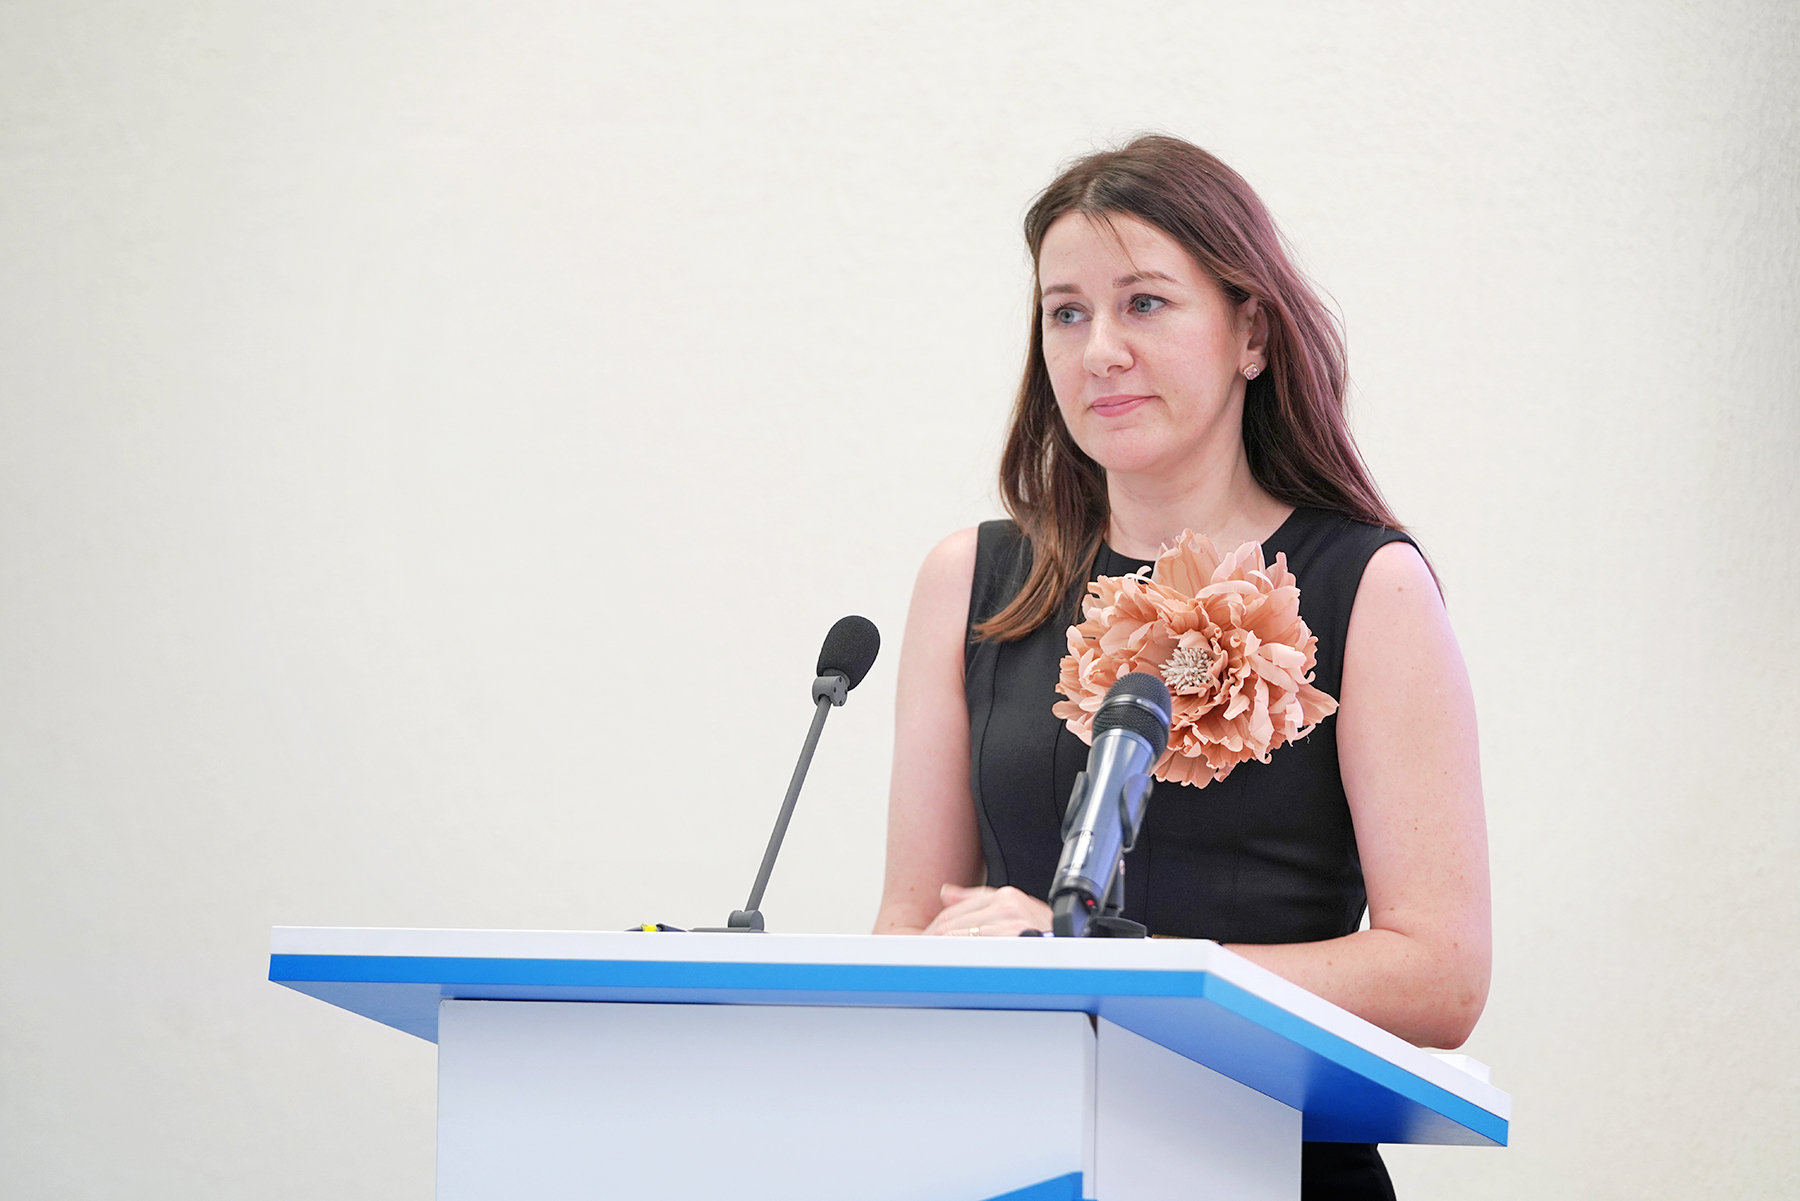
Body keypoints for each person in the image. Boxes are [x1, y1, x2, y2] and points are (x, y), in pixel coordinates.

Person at [871, 135, 1491, 1199]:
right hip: (1016, 1163)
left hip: (1272, 1165)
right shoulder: (969, 579)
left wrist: (1115, 960)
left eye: (1145, 304)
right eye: (1066, 313)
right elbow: (910, 926)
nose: (1100, 350)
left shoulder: (1369, 586)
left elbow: (1440, 976)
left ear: (1252, 331)